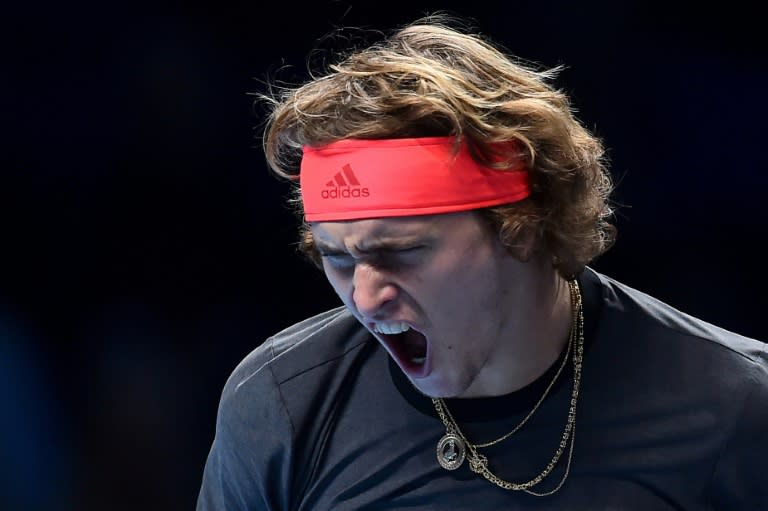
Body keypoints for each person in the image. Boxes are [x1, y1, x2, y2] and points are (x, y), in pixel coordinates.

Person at [196, 14, 768, 510]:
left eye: (400, 252)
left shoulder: (739, 406)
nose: (365, 299)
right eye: (338, 260)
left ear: (520, 226)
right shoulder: (279, 401)